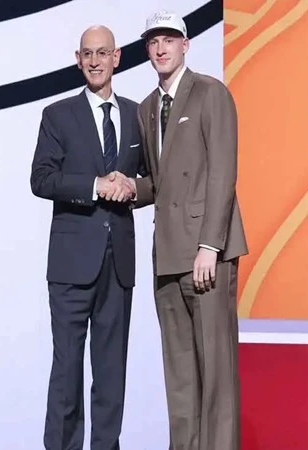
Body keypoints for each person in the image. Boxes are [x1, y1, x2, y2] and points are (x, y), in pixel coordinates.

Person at [121, 10, 249, 450]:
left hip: (206, 253)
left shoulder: (210, 92)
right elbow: (160, 183)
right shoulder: (146, 108)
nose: (160, 48)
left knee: (216, 373)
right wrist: (128, 187)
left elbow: (222, 173)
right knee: (179, 379)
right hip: (168, 256)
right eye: (153, 41)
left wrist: (210, 245)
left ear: (185, 45)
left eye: (169, 40)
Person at [30, 25, 144, 450]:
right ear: (78, 60)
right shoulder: (58, 115)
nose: (95, 61)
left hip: (119, 264)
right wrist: (95, 186)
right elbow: (41, 179)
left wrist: (132, 188)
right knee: (67, 372)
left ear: (117, 57)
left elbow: (153, 180)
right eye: (87, 54)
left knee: (112, 373)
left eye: (102, 53)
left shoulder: (137, 114)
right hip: (71, 266)